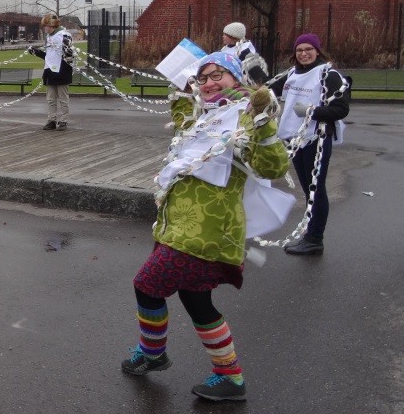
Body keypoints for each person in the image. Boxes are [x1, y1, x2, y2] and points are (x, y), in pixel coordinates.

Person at [121, 52, 288, 402]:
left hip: (205, 231)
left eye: (218, 75)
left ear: (236, 77)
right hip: (180, 225)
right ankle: (230, 376)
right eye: (203, 77)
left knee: (146, 285)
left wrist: (262, 120)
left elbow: (272, 167)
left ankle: (153, 353)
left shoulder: (245, 115)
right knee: (196, 299)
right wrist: (182, 90)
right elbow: (184, 124)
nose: (210, 83)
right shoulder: (210, 114)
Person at [271, 33, 350, 255]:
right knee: (308, 188)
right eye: (299, 50)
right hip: (295, 138)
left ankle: (315, 239)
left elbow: (341, 108)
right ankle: (310, 234)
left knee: (316, 189)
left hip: (316, 138)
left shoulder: (328, 75)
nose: (304, 54)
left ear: (317, 51)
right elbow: (269, 91)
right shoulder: (292, 74)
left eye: (308, 49)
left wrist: (311, 112)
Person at [28, 13, 74, 130]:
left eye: (45, 26)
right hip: (50, 72)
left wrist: (68, 52)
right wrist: (36, 52)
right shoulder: (49, 37)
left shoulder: (64, 35)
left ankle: (63, 121)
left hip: (62, 71)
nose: (44, 28)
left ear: (50, 25)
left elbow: (69, 55)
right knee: (50, 99)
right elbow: (49, 56)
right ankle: (51, 120)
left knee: (63, 98)